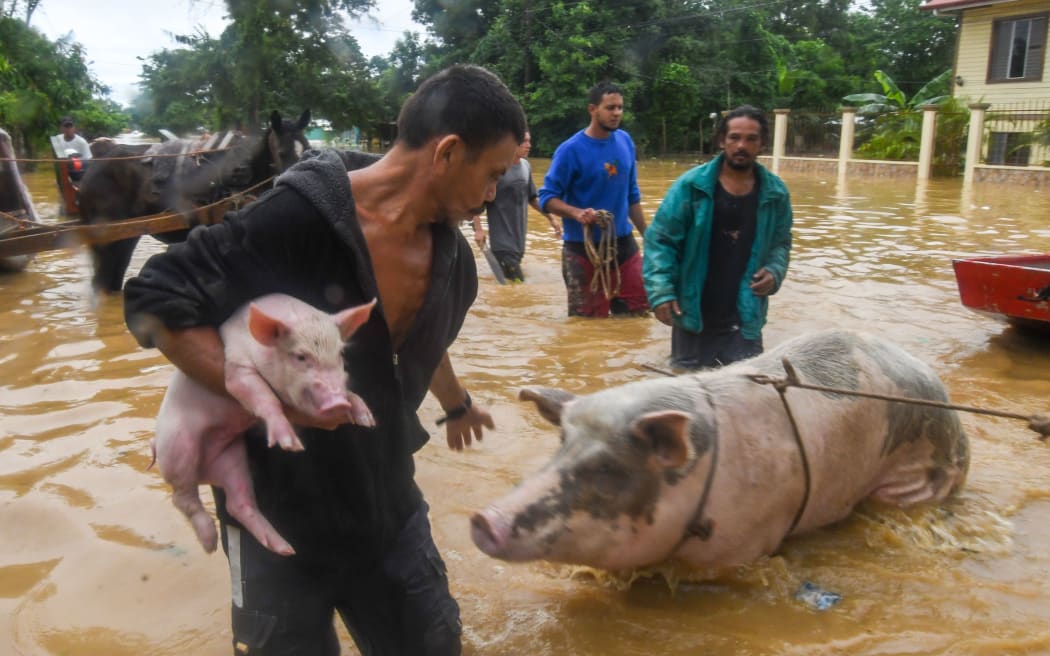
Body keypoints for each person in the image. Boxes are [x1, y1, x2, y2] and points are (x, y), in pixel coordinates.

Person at [123, 64, 527, 655]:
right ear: (447, 153)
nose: (493, 193)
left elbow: (414, 345)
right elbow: (153, 299)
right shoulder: (292, 220)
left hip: (387, 507)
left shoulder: (455, 266)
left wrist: (457, 404)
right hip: (273, 514)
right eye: (492, 174)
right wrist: (256, 396)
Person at [643, 105, 793, 370]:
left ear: (762, 144)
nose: (741, 145)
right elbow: (661, 242)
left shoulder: (776, 193)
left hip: (745, 318)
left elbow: (780, 243)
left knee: (746, 396)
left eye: (751, 139)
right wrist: (661, 292)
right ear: (721, 140)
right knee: (685, 395)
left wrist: (775, 270)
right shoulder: (690, 187)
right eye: (734, 137)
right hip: (692, 313)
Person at [538, 81, 649, 317]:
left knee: (637, 318)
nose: (617, 113)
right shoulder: (570, 150)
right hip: (582, 250)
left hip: (624, 245)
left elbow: (632, 195)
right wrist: (576, 213)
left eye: (620, 107)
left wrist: (648, 235)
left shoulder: (625, 141)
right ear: (592, 109)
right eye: (610, 108)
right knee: (588, 327)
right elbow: (546, 198)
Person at [470, 131, 560, 282]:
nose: (529, 145)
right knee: (519, 285)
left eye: (529, 141)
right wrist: (479, 230)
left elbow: (532, 198)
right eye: (524, 141)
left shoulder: (526, 166)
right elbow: (476, 201)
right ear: (512, 144)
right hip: (501, 245)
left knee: (510, 285)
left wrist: (552, 219)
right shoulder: (497, 169)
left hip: (519, 244)